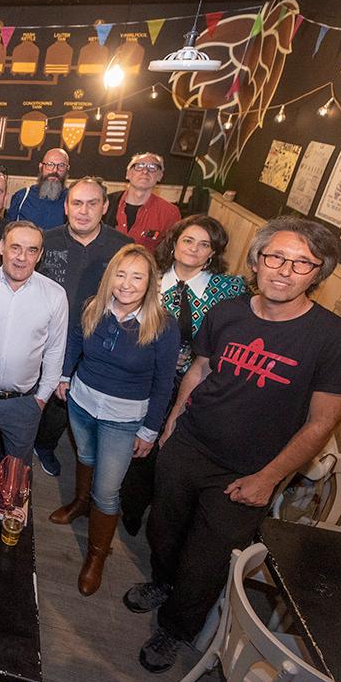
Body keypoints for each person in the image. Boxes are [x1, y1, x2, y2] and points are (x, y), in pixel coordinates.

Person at [129, 217, 341, 673]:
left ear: (318, 273)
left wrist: (268, 479)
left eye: (301, 263)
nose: (284, 270)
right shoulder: (227, 312)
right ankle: (163, 582)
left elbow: (320, 424)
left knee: (206, 559)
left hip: (248, 470)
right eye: (275, 257)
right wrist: (173, 424)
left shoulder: (338, 340)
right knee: (163, 528)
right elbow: (200, 369)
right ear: (256, 261)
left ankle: (176, 629)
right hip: (189, 444)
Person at [52, 245, 179, 596]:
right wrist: (65, 375)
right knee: (84, 457)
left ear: (150, 283)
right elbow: (74, 341)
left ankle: (97, 555)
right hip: (81, 403)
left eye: (137, 277)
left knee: (107, 492)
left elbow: (164, 382)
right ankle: (80, 504)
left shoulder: (163, 326)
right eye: (120, 275)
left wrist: (150, 429)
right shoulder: (94, 307)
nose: (126, 284)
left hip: (123, 420)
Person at [118, 215, 248, 535]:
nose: (194, 249)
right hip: (147, 378)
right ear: (174, 243)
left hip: (198, 384)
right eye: (188, 240)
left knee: (174, 450)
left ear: (213, 253)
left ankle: (165, 515)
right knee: (140, 444)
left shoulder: (228, 290)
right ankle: (132, 506)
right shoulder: (148, 278)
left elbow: (237, 335)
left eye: (204, 245)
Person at [33, 177, 132, 477]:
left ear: (105, 207)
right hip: (44, 336)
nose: (84, 211)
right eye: (77, 203)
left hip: (93, 342)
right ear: (66, 207)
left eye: (92, 203)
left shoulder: (123, 248)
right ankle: (21, 442)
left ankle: (45, 446)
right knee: (35, 395)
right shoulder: (46, 241)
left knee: (64, 402)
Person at [0, 221, 68, 474]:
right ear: (1, 247)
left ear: (40, 255)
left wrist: (40, 400)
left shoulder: (55, 295)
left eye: (31, 250)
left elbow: (55, 351)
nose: (22, 257)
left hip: (24, 404)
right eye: (15, 247)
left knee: (16, 476)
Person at [105, 152, 180, 251]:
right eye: (139, 166)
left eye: (152, 167)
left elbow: (170, 250)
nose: (145, 171)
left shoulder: (170, 213)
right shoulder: (105, 203)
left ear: (160, 176)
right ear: (128, 174)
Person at [6, 147, 70, 231]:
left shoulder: (71, 199)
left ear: (67, 169)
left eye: (61, 166)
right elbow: (9, 232)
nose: (55, 170)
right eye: (50, 164)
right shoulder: (22, 197)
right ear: (41, 167)